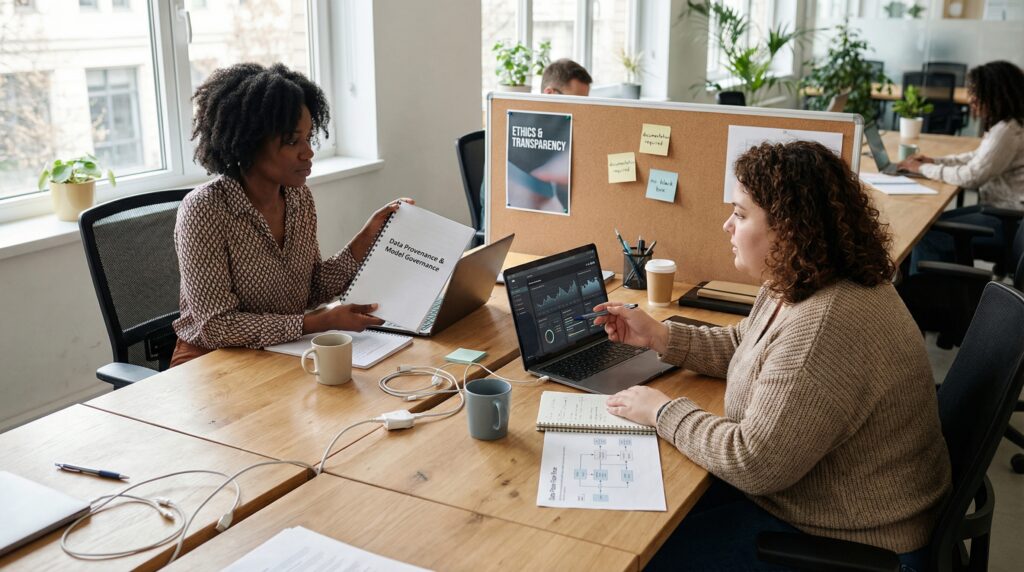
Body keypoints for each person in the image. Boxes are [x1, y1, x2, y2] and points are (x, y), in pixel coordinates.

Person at [594, 141, 951, 570]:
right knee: (647, 512)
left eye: (741, 214)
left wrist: (662, 412)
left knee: (635, 552)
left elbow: (753, 462)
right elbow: (746, 346)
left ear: (790, 228)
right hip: (809, 501)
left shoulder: (826, 322)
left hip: (852, 541)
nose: (727, 224)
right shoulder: (799, 281)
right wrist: (661, 336)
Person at [171, 62, 411, 367]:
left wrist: (367, 237)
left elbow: (310, 290)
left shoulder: (298, 197)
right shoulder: (204, 210)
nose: (308, 152)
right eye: (292, 141)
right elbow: (218, 326)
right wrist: (317, 323)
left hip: (282, 350)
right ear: (250, 142)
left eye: (309, 138)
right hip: (210, 362)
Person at [898, 60, 1024, 272]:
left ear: (995, 93)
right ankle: (943, 289)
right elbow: (976, 157)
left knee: (925, 234)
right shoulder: (1008, 125)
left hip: (1009, 219)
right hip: (1003, 212)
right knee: (929, 223)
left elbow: (972, 176)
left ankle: (930, 295)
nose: (971, 99)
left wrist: (922, 169)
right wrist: (935, 161)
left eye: (976, 92)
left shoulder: (1007, 132)